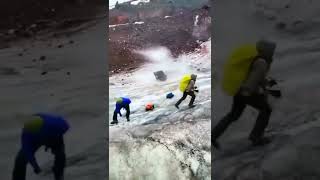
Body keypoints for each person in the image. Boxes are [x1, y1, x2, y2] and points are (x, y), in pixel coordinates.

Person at [212, 40, 277, 149]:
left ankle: (213, 135)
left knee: (233, 115)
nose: (273, 52)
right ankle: (256, 137)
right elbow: (254, 78)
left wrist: (265, 83)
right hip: (246, 91)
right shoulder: (262, 62)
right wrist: (250, 91)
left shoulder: (254, 58)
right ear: (268, 51)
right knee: (266, 110)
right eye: (272, 50)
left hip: (239, 89)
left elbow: (254, 75)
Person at [12, 113, 70, 180]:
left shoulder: (53, 124)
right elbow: (28, 153)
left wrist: (53, 138)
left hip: (52, 135)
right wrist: (36, 167)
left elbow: (66, 126)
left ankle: (59, 175)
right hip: (34, 140)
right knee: (20, 159)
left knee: (60, 155)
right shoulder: (26, 133)